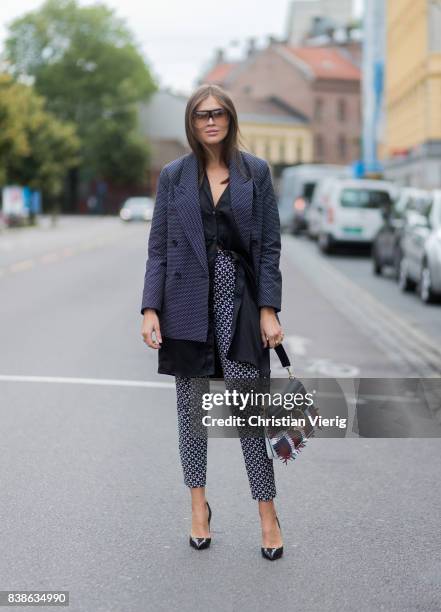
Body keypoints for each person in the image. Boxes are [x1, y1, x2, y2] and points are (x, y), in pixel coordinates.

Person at [140, 84, 285, 560]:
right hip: (185, 303)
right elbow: (159, 246)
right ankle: (198, 508)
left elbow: (268, 248)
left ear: (230, 118)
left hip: (240, 305)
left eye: (218, 113)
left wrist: (268, 309)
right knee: (191, 417)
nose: (209, 121)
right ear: (191, 122)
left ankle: (267, 514)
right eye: (200, 114)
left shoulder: (255, 173)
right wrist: (149, 308)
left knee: (248, 416)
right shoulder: (174, 176)